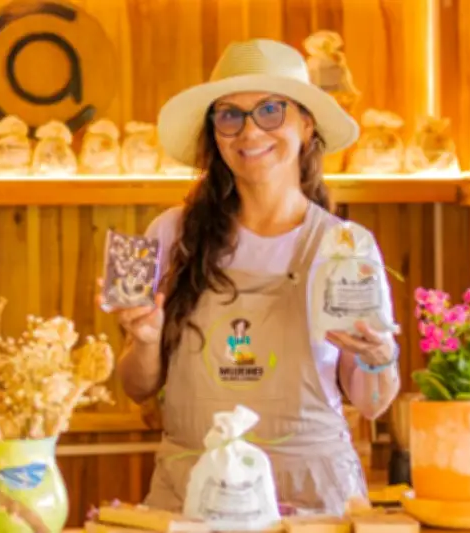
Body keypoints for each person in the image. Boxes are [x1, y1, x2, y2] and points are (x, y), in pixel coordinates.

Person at [101, 39, 400, 514]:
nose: (249, 131)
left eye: (270, 110)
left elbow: (372, 404)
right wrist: (145, 339)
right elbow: (137, 387)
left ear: (306, 124)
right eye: (229, 115)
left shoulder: (344, 248)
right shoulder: (171, 234)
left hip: (312, 499)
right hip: (195, 494)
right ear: (214, 133)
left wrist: (379, 359)